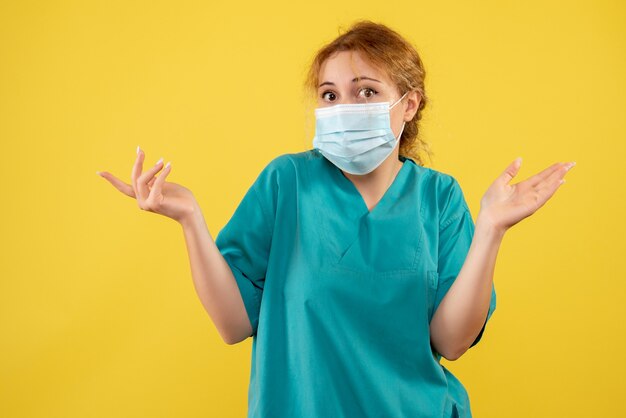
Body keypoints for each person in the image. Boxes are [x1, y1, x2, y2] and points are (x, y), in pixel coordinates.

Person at [97, 20, 575, 418]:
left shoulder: (438, 198)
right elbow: (232, 323)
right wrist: (189, 219)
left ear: (408, 105)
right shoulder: (287, 183)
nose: (345, 107)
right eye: (330, 95)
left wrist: (491, 229)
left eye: (366, 91)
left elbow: (451, 342)